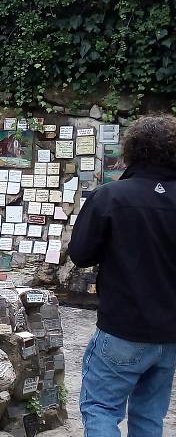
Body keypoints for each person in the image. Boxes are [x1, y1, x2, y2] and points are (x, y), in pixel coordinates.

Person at [69, 116, 176, 437]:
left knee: (100, 407)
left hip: (122, 327)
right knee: (149, 417)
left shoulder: (111, 196)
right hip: (169, 333)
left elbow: (80, 253)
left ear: (131, 151)